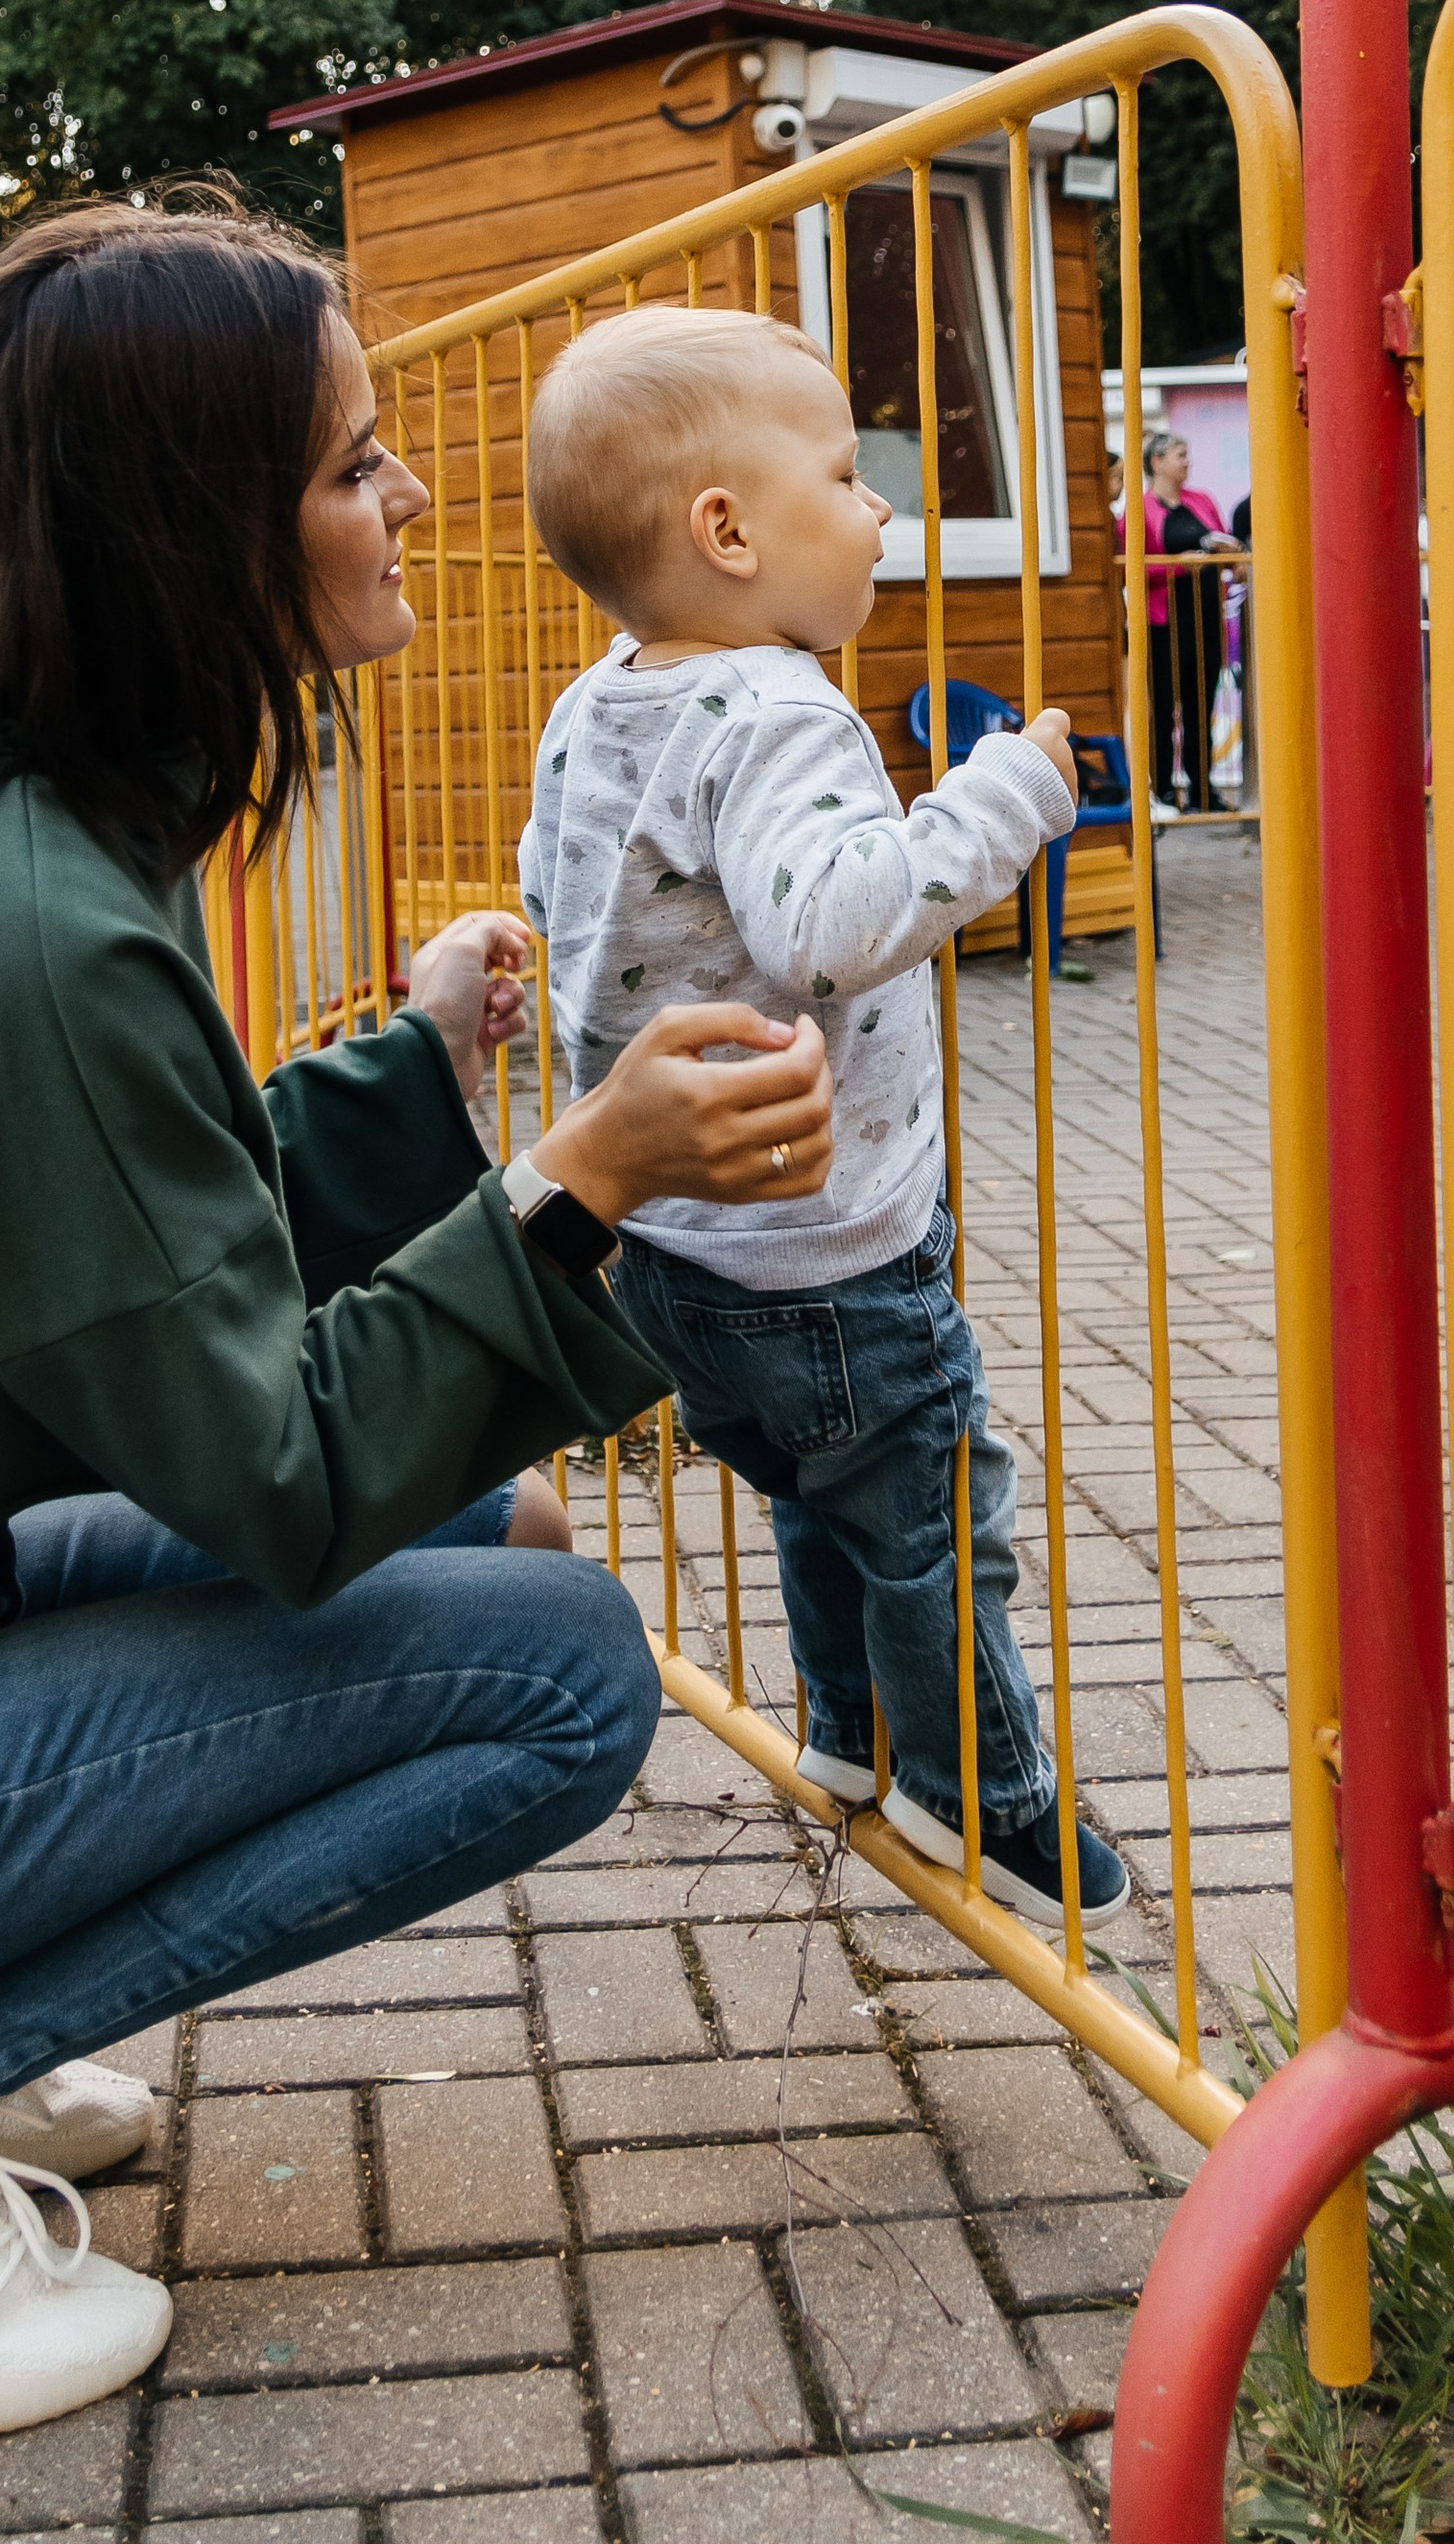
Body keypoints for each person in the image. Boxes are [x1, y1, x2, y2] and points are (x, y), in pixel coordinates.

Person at [0, 196, 836, 2441]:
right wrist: (583, 1180)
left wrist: (418, 1069)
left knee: (496, 1538)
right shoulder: (16, 921)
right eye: (351, 462)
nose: (409, 492)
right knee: (562, 1675)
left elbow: (124, 1264)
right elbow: (277, 1472)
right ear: (183, 529)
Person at [519, 305, 1129, 1937]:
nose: (879, 510)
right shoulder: (779, 708)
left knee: (811, 1489)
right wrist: (1007, 795)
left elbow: (558, 898)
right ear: (726, 533)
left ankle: (850, 1738)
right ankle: (980, 1794)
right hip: (825, 1245)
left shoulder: (599, 705)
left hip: (670, 1242)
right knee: (931, 1513)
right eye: (848, 475)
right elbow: (836, 927)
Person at [1124, 433, 1235, 815]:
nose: (1187, 462)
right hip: (1164, 623)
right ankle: (1165, 790)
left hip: (1206, 617)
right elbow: (1132, 569)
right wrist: (1178, 566)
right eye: (1180, 455)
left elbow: (1222, 542)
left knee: (1200, 705)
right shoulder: (1139, 511)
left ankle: (1203, 789)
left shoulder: (1202, 500)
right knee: (1162, 707)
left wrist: (1230, 556)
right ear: (1156, 462)